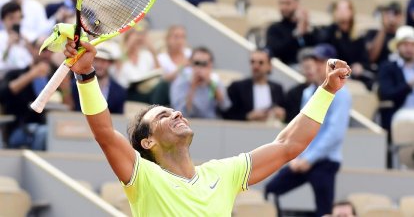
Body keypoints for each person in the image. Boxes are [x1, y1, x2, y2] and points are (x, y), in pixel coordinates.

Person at [62, 25, 351, 216]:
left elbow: (289, 144)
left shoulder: (222, 174)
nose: (176, 113)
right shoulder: (144, 178)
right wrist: (86, 76)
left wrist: (326, 91)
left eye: (174, 110)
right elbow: (104, 133)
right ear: (147, 141)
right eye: (163, 115)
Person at [265, 43, 352, 217]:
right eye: (316, 61)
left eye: (321, 62)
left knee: (324, 210)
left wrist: (308, 159)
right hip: (305, 158)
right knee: (271, 189)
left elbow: (335, 133)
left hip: (325, 161)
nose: (317, 66)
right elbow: (304, 127)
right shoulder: (308, 92)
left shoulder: (342, 94)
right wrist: (299, 157)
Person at [0, 37, 72, 150]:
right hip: (20, 128)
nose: (46, 54)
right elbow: (3, 94)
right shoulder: (15, 74)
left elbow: (69, 109)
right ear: (32, 50)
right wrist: (32, 74)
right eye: (43, 49)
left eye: (50, 50)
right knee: (45, 133)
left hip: (51, 126)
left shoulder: (55, 77)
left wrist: (66, 89)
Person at [319, 0, 373, 89]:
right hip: (334, 73)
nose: (342, 12)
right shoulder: (329, 32)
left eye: (345, 9)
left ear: (352, 12)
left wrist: (360, 66)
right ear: (334, 12)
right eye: (339, 9)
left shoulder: (358, 37)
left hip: (353, 74)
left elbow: (365, 61)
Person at [224, 48, 286, 122]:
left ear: (269, 66)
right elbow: (227, 114)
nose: (256, 66)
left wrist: (281, 114)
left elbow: (286, 113)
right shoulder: (237, 87)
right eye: (252, 62)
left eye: (261, 63)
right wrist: (248, 116)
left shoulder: (277, 89)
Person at [170, 46, 231, 118]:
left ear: (210, 65)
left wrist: (211, 84)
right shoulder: (180, 82)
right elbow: (180, 113)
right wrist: (192, 87)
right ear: (190, 63)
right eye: (197, 63)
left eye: (204, 64)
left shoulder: (215, 81)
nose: (200, 67)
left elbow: (225, 106)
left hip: (212, 125)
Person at [378, 25, 414, 135]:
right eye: (405, 44)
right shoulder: (388, 67)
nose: (409, 49)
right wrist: (408, 86)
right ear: (398, 46)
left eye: (412, 45)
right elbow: (385, 93)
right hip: (399, 113)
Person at [71, 43, 126, 114]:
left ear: (110, 63)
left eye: (103, 61)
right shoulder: (76, 85)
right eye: (96, 60)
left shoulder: (119, 91)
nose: (99, 65)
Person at [266, 0, 316, 66]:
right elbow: (276, 51)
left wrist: (306, 26)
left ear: (297, 4)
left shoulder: (307, 28)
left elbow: (316, 48)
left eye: (288, 3)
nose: (284, 7)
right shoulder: (274, 29)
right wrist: (297, 33)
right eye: (281, 3)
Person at [366, 1, 403, 70]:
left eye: (395, 14)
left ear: (401, 17)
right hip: (378, 71)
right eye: (388, 13)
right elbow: (371, 57)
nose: (391, 18)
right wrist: (384, 27)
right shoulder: (372, 32)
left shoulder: (403, 35)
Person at [284, 47, 319, 123]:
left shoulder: (326, 90)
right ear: (301, 69)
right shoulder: (293, 93)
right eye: (307, 67)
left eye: (313, 67)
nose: (311, 71)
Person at [0, 1, 33, 71]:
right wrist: (8, 46)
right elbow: (2, 64)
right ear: (3, 20)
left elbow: (32, 61)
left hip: (26, 72)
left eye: (18, 18)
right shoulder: (1, 38)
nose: (16, 22)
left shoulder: (26, 36)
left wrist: (29, 47)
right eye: (11, 18)